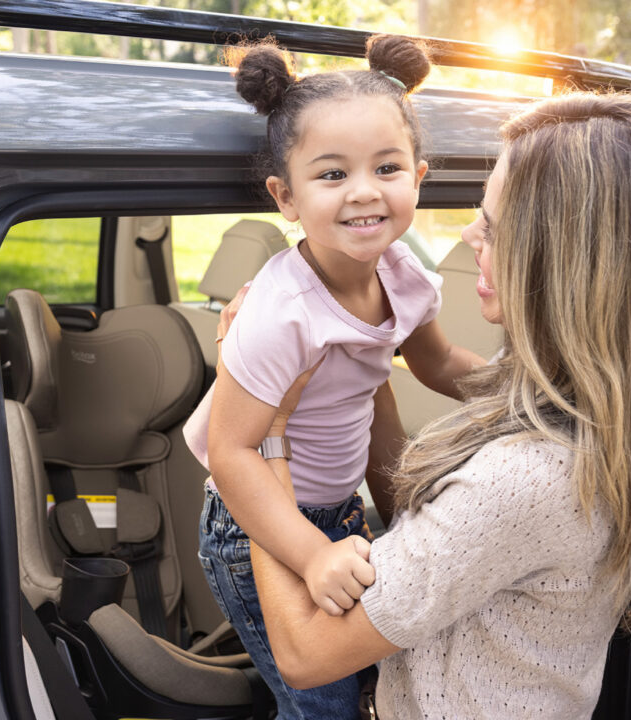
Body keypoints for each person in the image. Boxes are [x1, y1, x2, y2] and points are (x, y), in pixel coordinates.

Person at [238, 91, 631, 720]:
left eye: (494, 224)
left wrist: (270, 438)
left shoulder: (528, 477)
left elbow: (305, 654)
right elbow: (446, 532)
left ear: (568, 264)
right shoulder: (622, 412)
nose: (468, 233)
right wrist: (355, 350)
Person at [183, 35, 484, 718]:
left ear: (419, 176)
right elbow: (231, 454)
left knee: (362, 678)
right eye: (332, 175)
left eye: (387, 167)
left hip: (338, 509)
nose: (364, 193)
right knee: (319, 700)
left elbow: (437, 363)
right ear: (285, 197)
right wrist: (313, 555)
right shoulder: (279, 314)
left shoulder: (404, 278)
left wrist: (523, 390)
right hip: (256, 519)